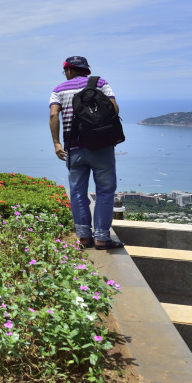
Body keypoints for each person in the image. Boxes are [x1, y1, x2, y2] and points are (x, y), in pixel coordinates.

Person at [49, 55, 124, 250]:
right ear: (86, 70)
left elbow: (53, 114)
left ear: (69, 70)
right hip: (102, 147)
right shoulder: (101, 83)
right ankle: (101, 238)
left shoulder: (58, 89)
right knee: (105, 192)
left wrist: (57, 143)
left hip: (74, 149)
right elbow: (114, 108)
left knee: (78, 192)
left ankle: (84, 238)